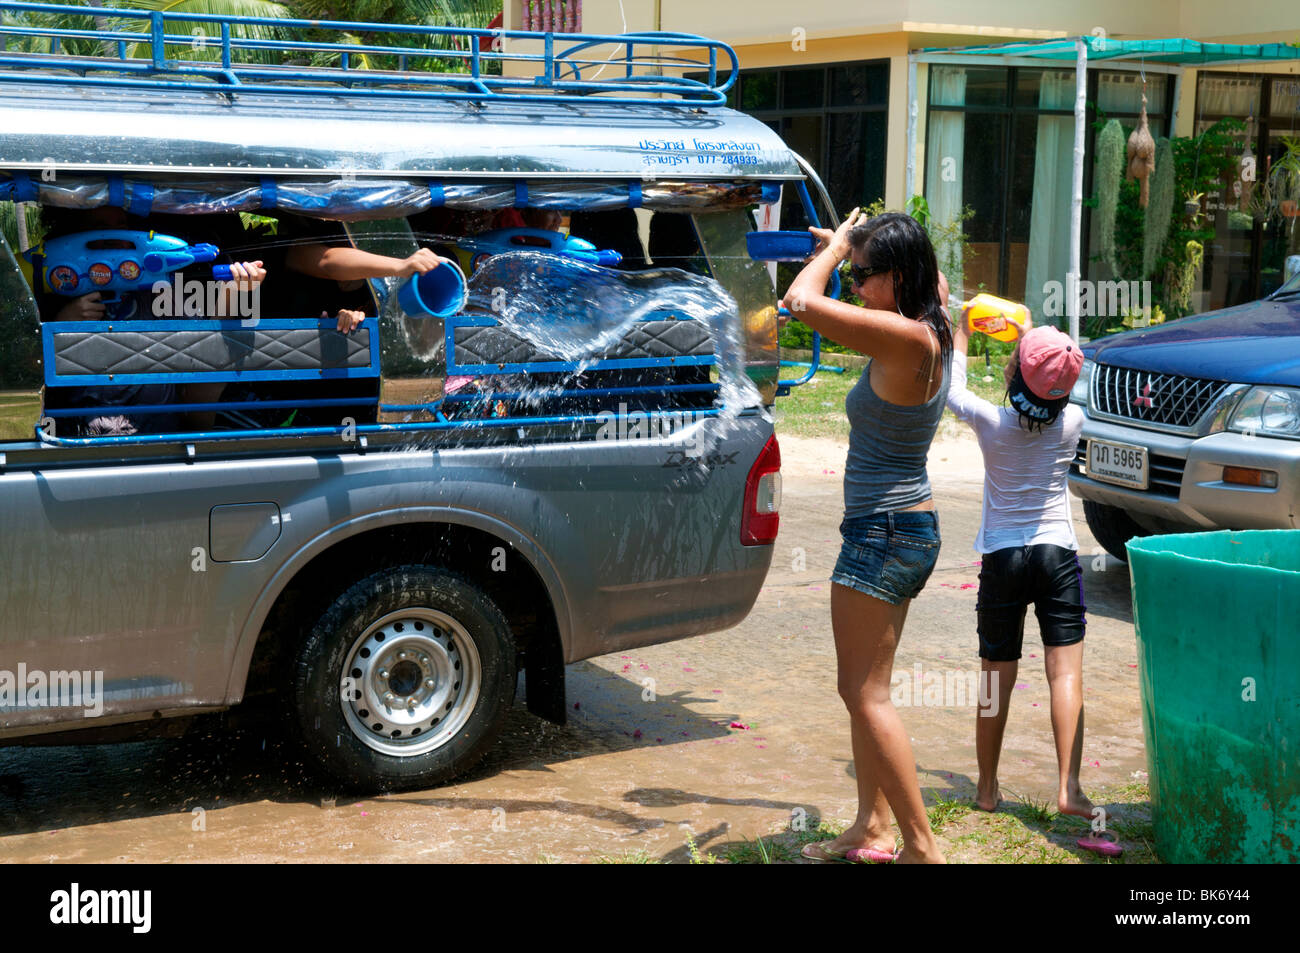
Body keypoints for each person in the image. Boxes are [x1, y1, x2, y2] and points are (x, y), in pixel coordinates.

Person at [783, 209, 951, 865]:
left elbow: (799, 300)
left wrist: (837, 252)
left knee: (864, 691)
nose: (853, 285)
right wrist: (849, 248)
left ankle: (921, 847)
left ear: (899, 276)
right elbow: (928, 274)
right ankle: (872, 825)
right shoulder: (936, 318)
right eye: (851, 276)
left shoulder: (906, 338)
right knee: (865, 683)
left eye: (862, 277)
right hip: (906, 525)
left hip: (884, 530)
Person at [946, 316, 1117, 855]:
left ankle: (987, 788)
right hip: (1057, 556)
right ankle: (1069, 787)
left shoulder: (990, 422)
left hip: (1004, 557)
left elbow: (952, 390)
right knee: (1064, 674)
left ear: (1016, 375)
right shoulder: (1075, 423)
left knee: (996, 677)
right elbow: (1054, 385)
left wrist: (963, 332)